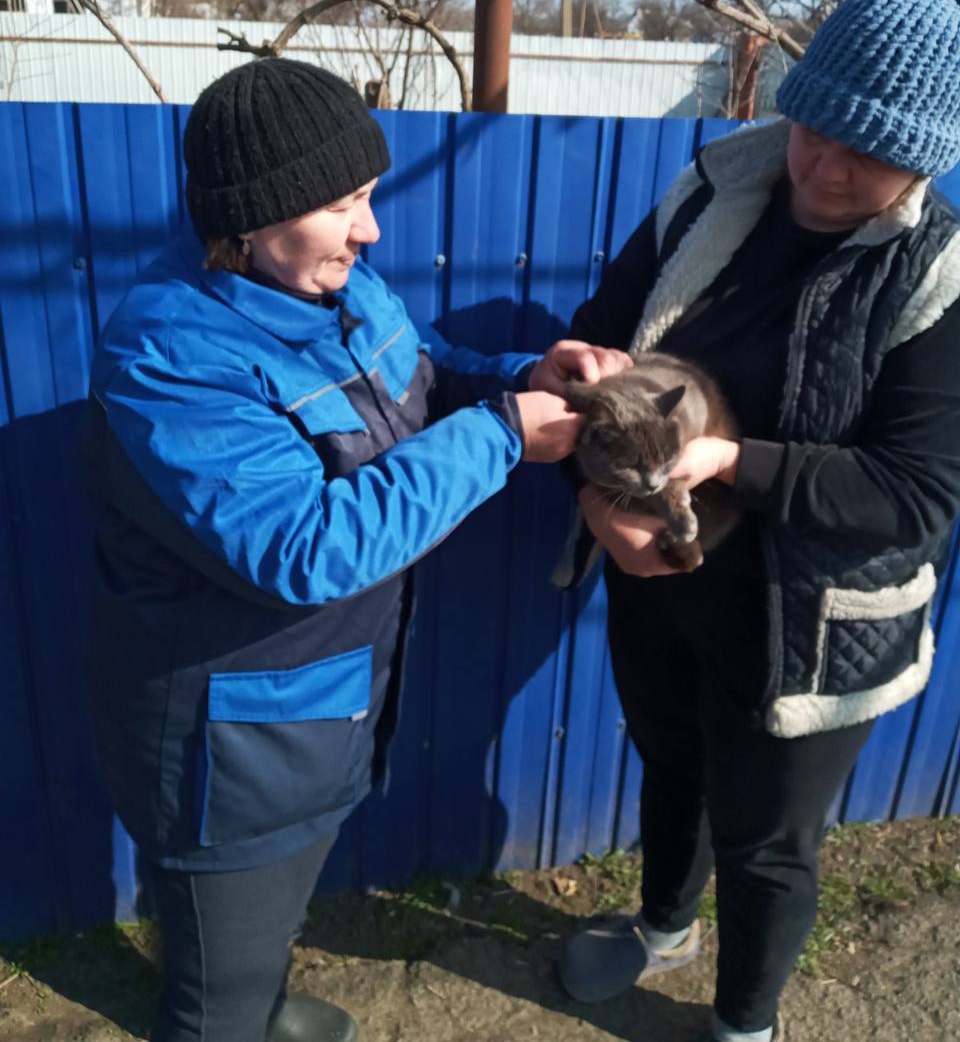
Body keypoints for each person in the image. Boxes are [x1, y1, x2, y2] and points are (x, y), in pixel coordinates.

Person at [82, 57, 629, 1042]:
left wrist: (521, 376)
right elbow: (303, 547)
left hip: (319, 708)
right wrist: (506, 433)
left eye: (367, 197)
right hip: (227, 741)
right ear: (252, 216)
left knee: (264, 913)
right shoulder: (169, 355)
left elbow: (419, 378)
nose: (369, 230)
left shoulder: (333, 282)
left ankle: (255, 994)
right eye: (343, 205)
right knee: (217, 977)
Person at [555, 0, 960, 1042]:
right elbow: (598, 352)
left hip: (815, 623)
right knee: (670, 764)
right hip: (664, 578)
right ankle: (661, 927)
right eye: (812, 128)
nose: (823, 168)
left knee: (768, 838)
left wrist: (728, 461)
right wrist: (599, 507)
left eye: (866, 153)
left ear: (922, 157)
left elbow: (913, 492)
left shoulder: (936, 274)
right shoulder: (711, 192)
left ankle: (747, 1022)